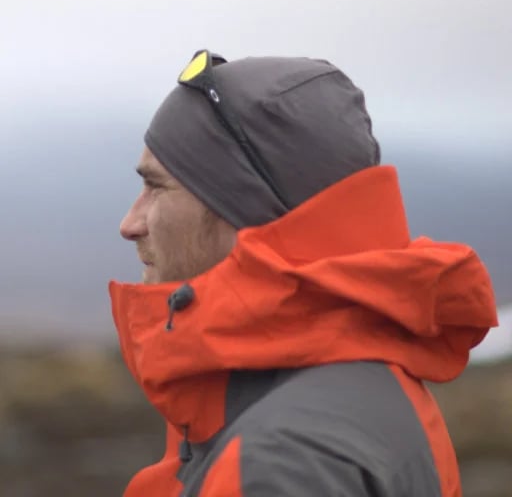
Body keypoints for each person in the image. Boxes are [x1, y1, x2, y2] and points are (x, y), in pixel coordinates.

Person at [110, 49, 498, 497]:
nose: (130, 224)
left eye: (156, 187)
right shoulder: (365, 379)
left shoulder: (283, 462)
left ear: (243, 211)